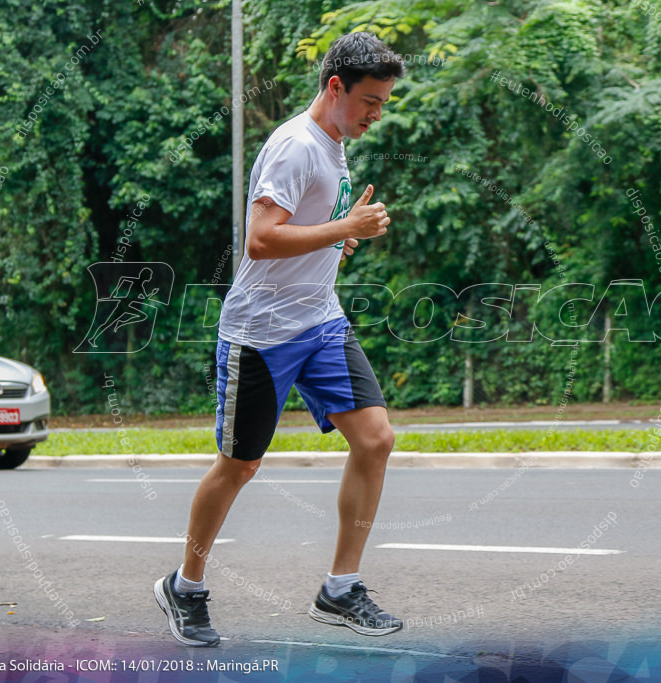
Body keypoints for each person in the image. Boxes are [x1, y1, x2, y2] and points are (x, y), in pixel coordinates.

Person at [154, 32, 405, 646]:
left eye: (384, 102)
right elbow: (261, 239)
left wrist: (336, 237)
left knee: (375, 439)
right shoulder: (296, 146)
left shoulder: (335, 144)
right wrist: (344, 226)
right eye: (371, 100)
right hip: (261, 333)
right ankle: (184, 587)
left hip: (319, 321)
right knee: (239, 466)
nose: (378, 113)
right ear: (335, 87)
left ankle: (340, 587)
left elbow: (304, 229)